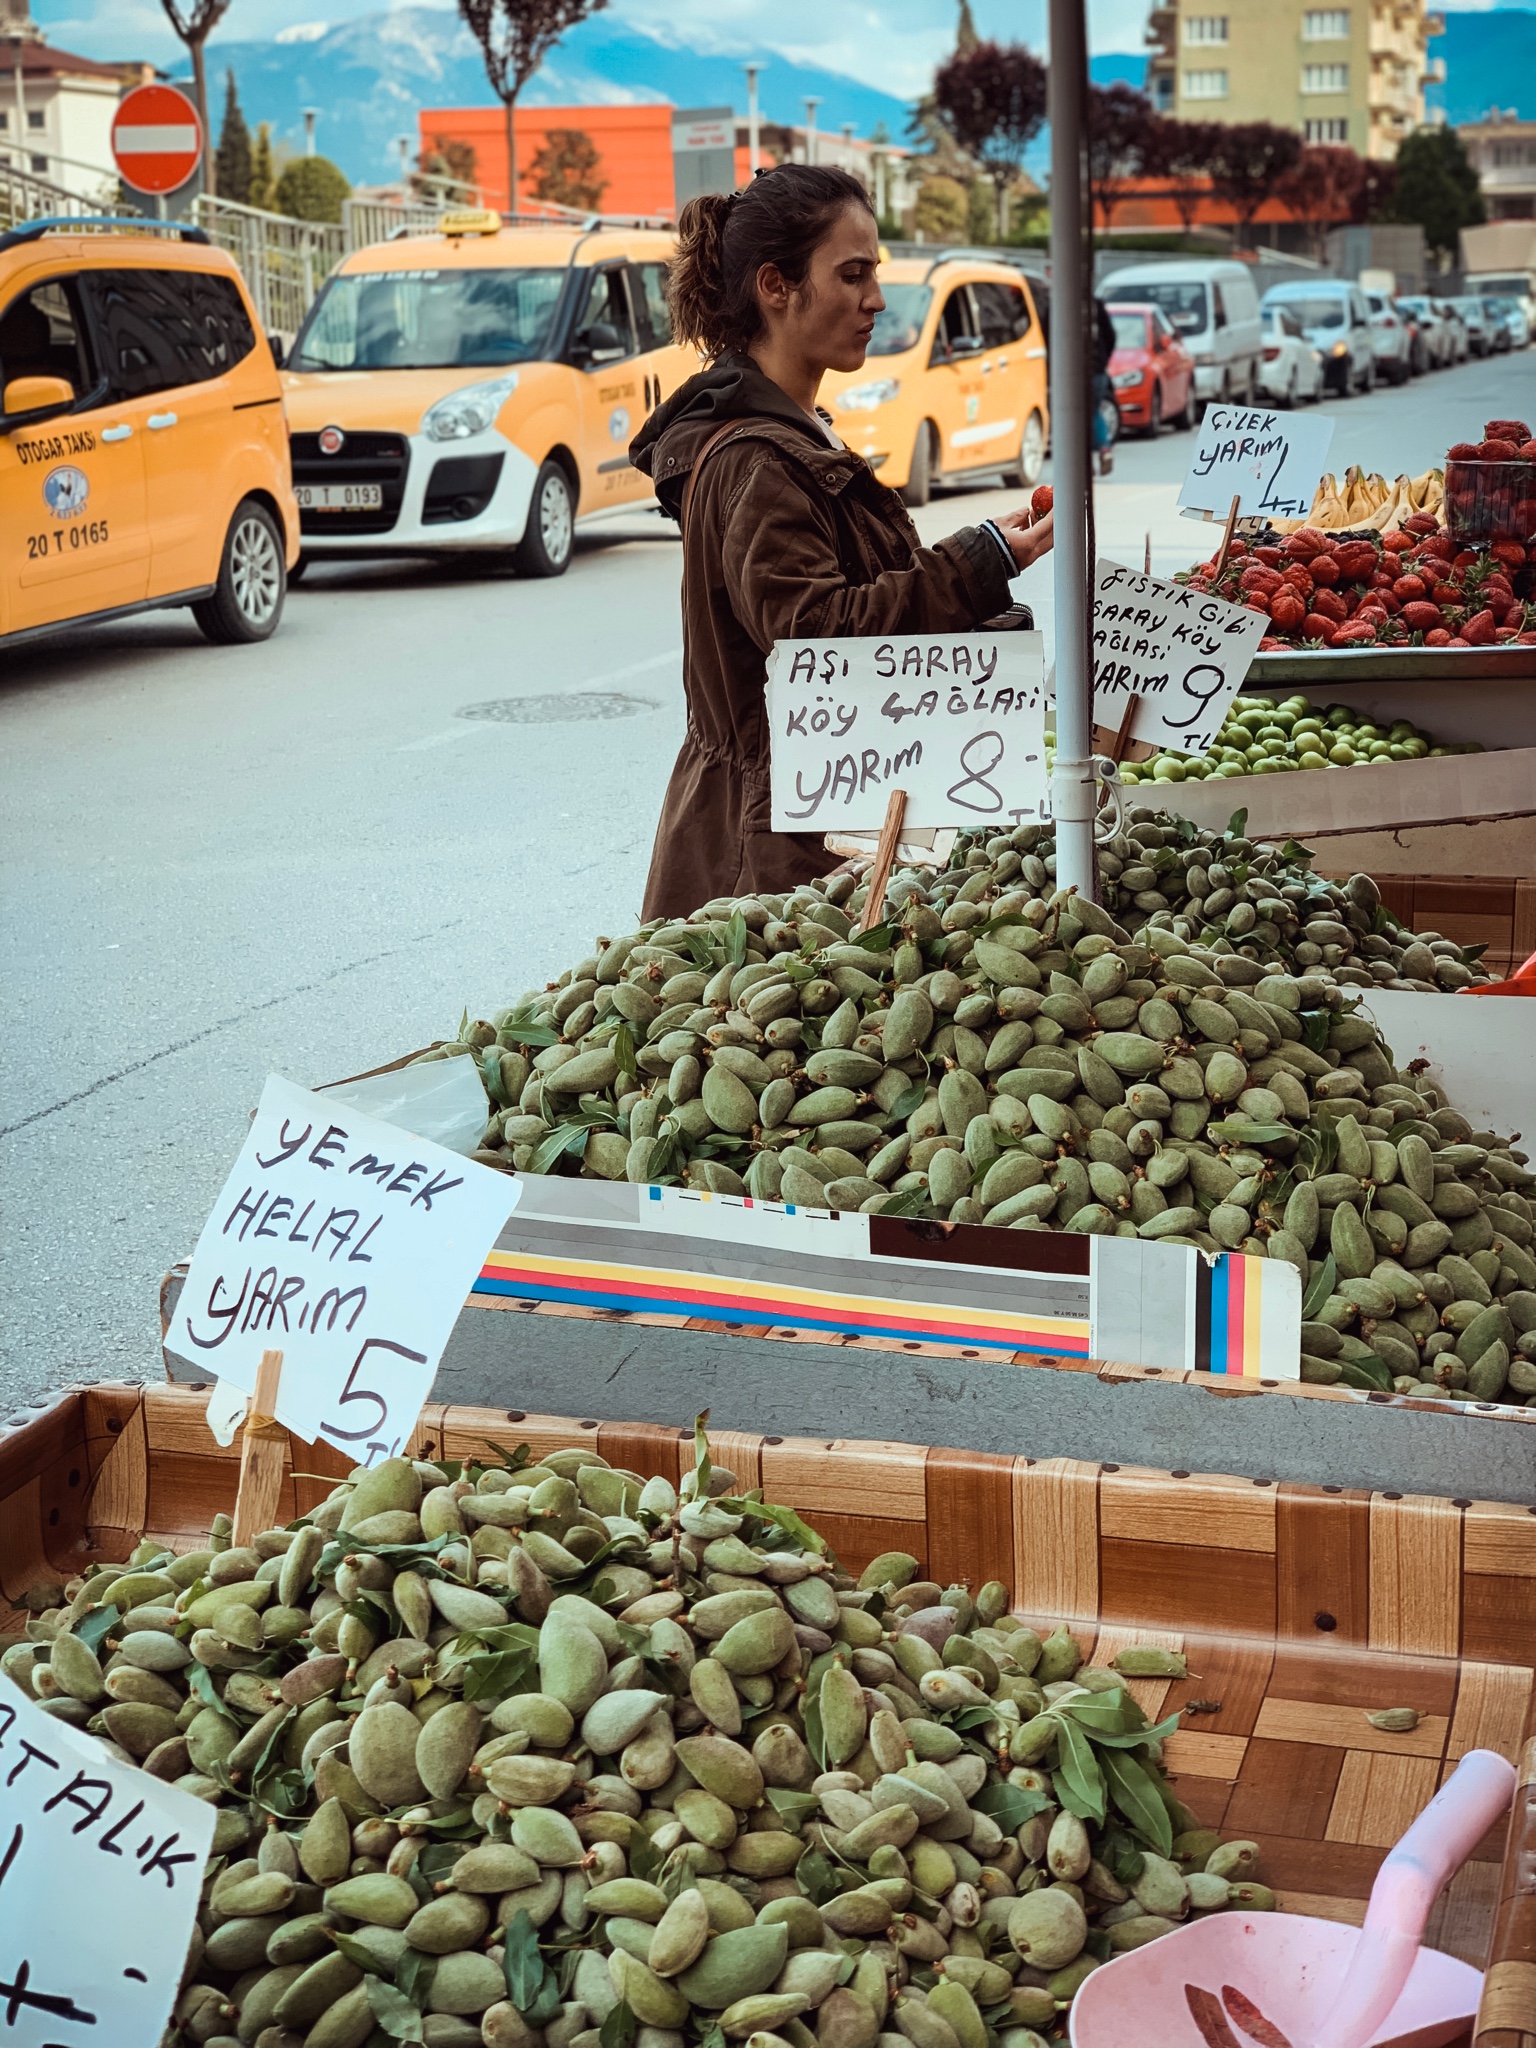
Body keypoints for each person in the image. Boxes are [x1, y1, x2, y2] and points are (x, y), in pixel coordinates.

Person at [630, 163, 1055, 921]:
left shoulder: (792, 432)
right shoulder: (757, 460)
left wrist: (983, 566)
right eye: (852, 274)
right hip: (774, 846)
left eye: (875, 272)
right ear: (775, 286)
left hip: (814, 815)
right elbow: (818, 639)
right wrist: (979, 561)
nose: (876, 299)